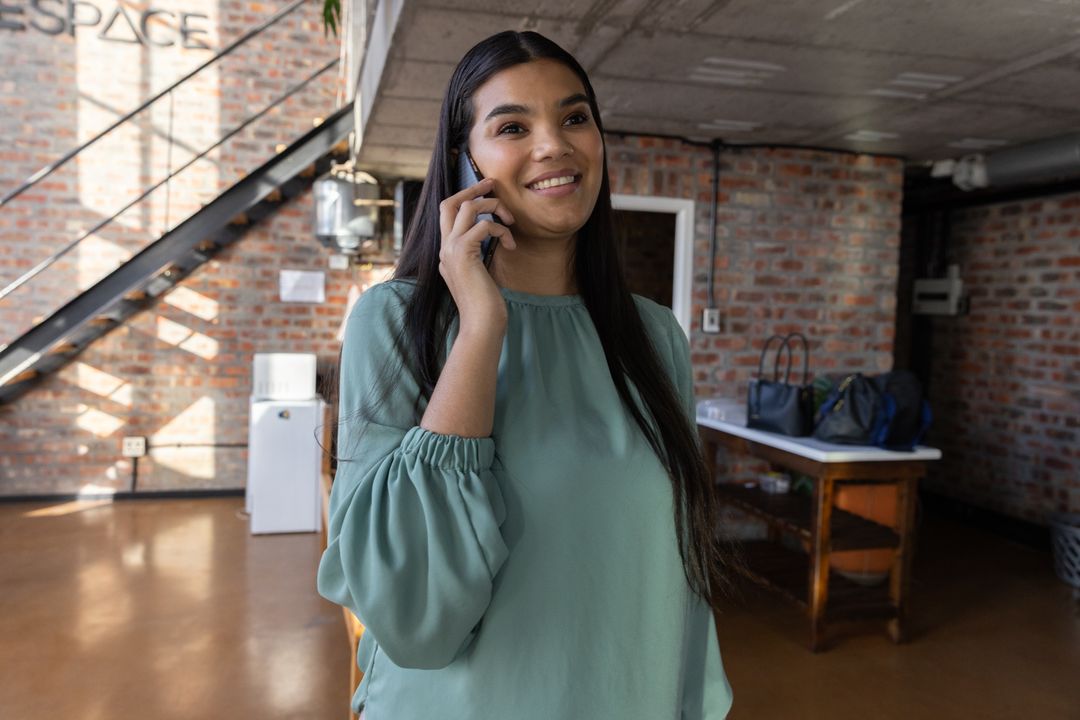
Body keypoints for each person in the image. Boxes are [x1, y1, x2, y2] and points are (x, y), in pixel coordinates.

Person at [317, 30, 734, 720]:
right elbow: (413, 614)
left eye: (575, 118)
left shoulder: (656, 338)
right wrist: (481, 327)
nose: (554, 145)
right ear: (465, 161)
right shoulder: (395, 323)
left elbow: (678, 580)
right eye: (513, 126)